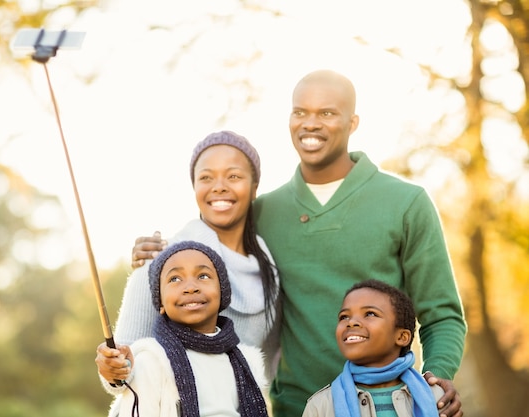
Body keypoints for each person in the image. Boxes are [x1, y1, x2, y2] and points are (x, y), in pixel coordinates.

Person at [130, 69, 467, 417]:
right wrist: (159, 251)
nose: (311, 124)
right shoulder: (265, 211)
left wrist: (435, 381)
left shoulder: (406, 203)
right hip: (297, 407)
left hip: (391, 405)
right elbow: (208, 245)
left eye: (327, 113)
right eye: (300, 112)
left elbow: (441, 314)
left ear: (352, 123)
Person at [95, 131, 280, 388]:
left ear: (254, 188)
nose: (219, 186)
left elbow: (268, 366)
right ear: (194, 186)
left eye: (234, 176)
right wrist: (113, 367)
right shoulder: (159, 260)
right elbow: (122, 369)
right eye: (206, 177)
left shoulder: (269, 271)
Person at [101, 240, 269, 416]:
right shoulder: (152, 360)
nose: (190, 288)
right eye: (175, 279)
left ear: (223, 292)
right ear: (161, 303)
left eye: (203, 276)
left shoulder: (248, 363)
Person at [302, 279, 443, 417]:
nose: (351, 322)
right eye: (344, 317)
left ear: (401, 337)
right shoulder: (320, 407)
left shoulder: (436, 398)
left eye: (370, 314)